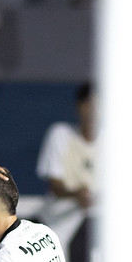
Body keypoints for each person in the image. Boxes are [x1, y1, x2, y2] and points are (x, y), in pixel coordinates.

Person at [35, 81, 95, 210]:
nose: (93, 111)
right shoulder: (60, 134)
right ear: (78, 106)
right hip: (61, 222)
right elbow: (55, 185)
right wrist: (77, 195)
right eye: (88, 104)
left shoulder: (115, 141)